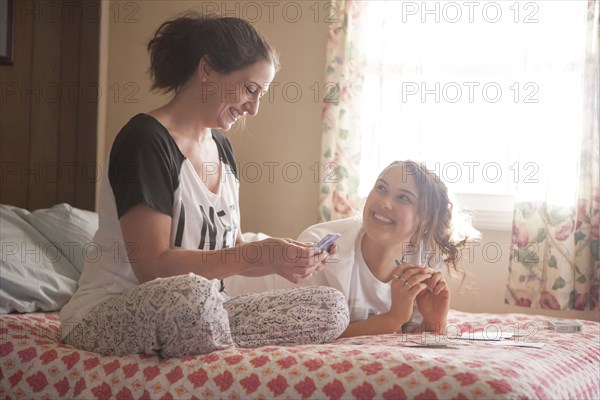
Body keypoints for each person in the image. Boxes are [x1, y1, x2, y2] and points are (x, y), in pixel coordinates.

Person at [59, 13, 349, 358]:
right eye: (250, 89)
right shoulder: (145, 140)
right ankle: (221, 358)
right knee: (194, 296)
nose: (254, 109)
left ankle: (211, 341)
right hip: (113, 312)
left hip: (204, 312)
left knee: (330, 306)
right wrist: (253, 253)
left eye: (261, 95)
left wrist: (278, 258)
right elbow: (152, 266)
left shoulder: (222, 149)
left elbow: (232, 248)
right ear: (207, 69)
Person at [298, 160, 476, 337]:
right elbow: (305, 334)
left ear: (426, 220)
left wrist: (432, 322)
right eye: (381, 188)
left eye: (403, 197)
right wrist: (393, 318)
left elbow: (409, 340)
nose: (384, 203)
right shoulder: (321, 248)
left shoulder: (427, 257)